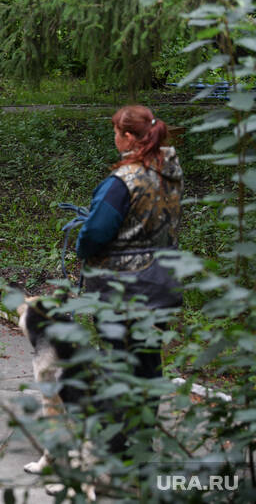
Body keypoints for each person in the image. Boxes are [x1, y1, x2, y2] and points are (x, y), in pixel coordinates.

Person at [75, 104, 183, 453]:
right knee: (148, 363)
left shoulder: (123, 181)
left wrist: (82, 242)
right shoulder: (168, 172)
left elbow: (96, 233)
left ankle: (116, 450)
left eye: (117, 132)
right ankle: (141, 443)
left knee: (118, 363)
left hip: (122, 286)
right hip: (162, 279)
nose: (114, 138)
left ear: (130, 137)